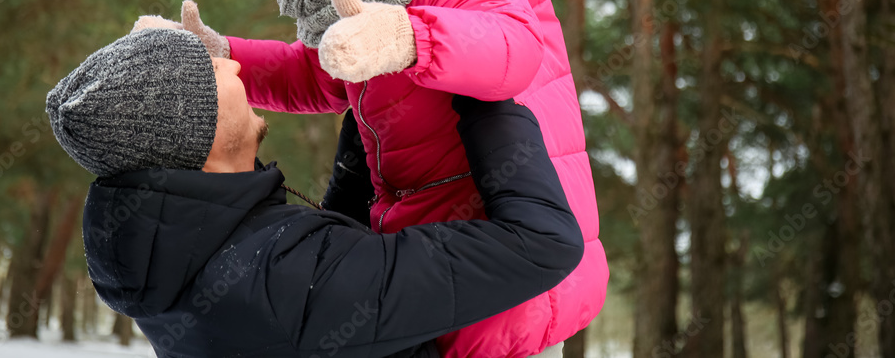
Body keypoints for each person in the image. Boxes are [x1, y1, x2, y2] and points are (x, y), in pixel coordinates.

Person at [158, 0, 608, 357]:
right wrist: (224, 57)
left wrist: (408, 38)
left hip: (509, 263)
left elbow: (515, 50)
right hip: (435, 243)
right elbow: (319, 76)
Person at [46, 27, 585, 358]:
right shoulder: (281, 287)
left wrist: (368, 109)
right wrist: (482, 89)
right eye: (214, 72)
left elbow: (324, 264)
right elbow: (540, 243)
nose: (234, 64)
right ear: (199, 131)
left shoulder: (170, 255)